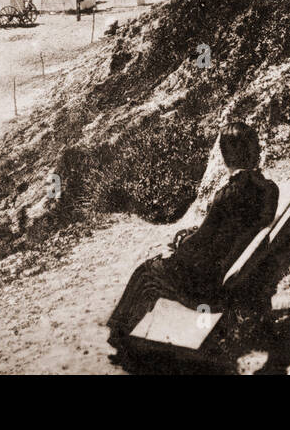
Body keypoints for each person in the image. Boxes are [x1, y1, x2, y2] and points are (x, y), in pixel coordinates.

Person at [107, 121, 279, 347]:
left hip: (207, 280)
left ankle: (118, 335)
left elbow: (201, 240)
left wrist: (179, 245)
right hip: (234, 262)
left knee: (147, 272)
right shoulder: (268, 189)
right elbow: (233, 229)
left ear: (226, 156)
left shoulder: (227, 195)